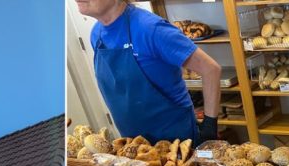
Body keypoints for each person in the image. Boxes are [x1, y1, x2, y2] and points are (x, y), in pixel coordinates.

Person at [76, 0, 222, 144]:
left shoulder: (151, 28)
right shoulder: (97, 34)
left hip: (176, 142)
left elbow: (211, 69)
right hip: (133, 145)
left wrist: (209, 125)